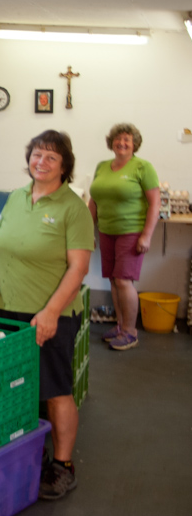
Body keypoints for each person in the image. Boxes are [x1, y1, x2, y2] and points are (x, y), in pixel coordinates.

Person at [0, 130, 93, 501]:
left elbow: (78, 268)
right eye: (37, 154)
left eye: (51, 157)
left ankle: (62, 465)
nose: (41, 162)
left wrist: (50, 313)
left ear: (64, 166)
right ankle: (29, 452)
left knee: (55, 389)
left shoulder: (73, 208)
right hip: (6, 308)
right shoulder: (16, 197)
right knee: (16, 386)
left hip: (49, 313)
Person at [87, 123, 160, 350]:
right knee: (113, 279)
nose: (122, 143)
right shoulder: (102, 167)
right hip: (106, 230)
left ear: (134, 144)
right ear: (111, 142)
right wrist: (88, 230)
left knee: (123, 280)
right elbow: (94, 201)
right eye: (118, 139)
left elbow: (155, 203)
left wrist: (146, 235)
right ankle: (120, 326)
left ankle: (130, 332)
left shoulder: (143, 167)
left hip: (131, 231)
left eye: (127, 139)